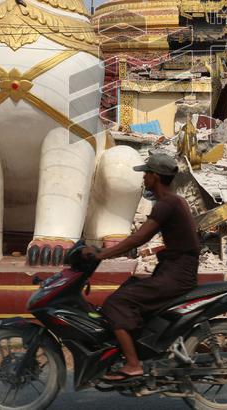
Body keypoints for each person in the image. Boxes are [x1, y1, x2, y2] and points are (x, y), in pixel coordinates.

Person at [87, 151, 200, 381]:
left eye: (146, 174)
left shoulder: (166, 204)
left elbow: (138, 238)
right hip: (175, 271)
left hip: (176, 275)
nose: (143, 179)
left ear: (155, 177)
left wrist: (102, 254)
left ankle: (132, 364)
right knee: (129, 286)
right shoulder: (173, 201)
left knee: (116, 303)